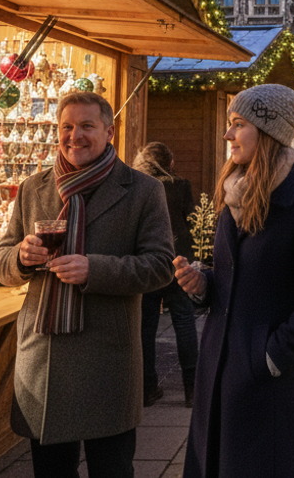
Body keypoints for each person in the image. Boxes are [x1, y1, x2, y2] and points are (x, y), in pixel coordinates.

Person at [0, 91, 175, 478]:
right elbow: (0, 261)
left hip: (106, 358)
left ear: (109, 131)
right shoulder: (33, 188)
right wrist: (21, 259)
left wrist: (96, 269)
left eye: (87, 126)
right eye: (67, 127)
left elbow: (160, 267)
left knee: (112, 469)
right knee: (51, 471)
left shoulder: (143, 190)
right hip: (44, 358)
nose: (75, 136)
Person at [175, 84, 294, 478]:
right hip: (219, 368)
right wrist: (204, 284)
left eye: (237, 124)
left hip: (269, 384)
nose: (228, 134)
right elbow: (237, 280)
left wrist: (269, 358)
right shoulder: (236, 195)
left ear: (267, 131)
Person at [133, 141, 199, 408]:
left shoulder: (137, 186)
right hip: (177, 261)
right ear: (169, 163)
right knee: (184, 321)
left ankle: (148, 388)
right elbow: (191, 220)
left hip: (147, 262)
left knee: (145, 327)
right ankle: (193, 391)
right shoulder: (180, 186)